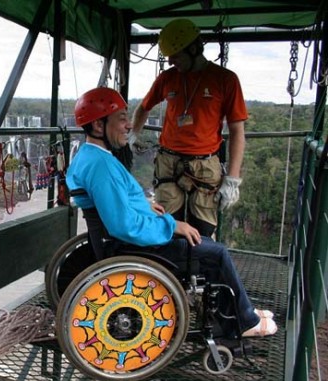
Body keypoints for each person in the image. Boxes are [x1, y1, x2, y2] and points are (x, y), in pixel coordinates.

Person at [67, 86, 276, 338]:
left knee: (204, 244)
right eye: (121, 119)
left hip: (115, 241)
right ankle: (244, 323)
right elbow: (123, 226)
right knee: (215, 253)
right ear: (99, 127)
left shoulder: (89, 156)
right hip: (129, 247)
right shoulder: (102, 167)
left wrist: (145, 205)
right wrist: (172, 225)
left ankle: (242, 310)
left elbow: (114, 200)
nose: (128, 125)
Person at [131, 18, 247, 238]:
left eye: (176, 56)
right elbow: (144, 107)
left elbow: (237, 132)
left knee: (203, 229)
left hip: (204, 164)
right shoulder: (168, 78)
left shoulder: (225, 80)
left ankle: (198, 270)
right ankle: (167, 271)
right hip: (169, 162)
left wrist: (232, 179)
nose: (172, 61)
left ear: (193, 48)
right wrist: (132, 134)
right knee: (166, 224)